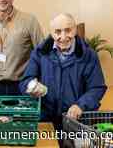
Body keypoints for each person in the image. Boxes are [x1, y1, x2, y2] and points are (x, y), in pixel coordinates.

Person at [19, 13, 107, 146]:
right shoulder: (40, 52)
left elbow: (97, 88)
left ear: (75, 29)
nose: (63, 37)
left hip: (76, 123)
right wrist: (31, 85)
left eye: (68, 30)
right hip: (46, 120)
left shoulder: (89, 55)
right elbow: (25, 80)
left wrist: (80, 105)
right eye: (58, 32)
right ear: (51, 33)